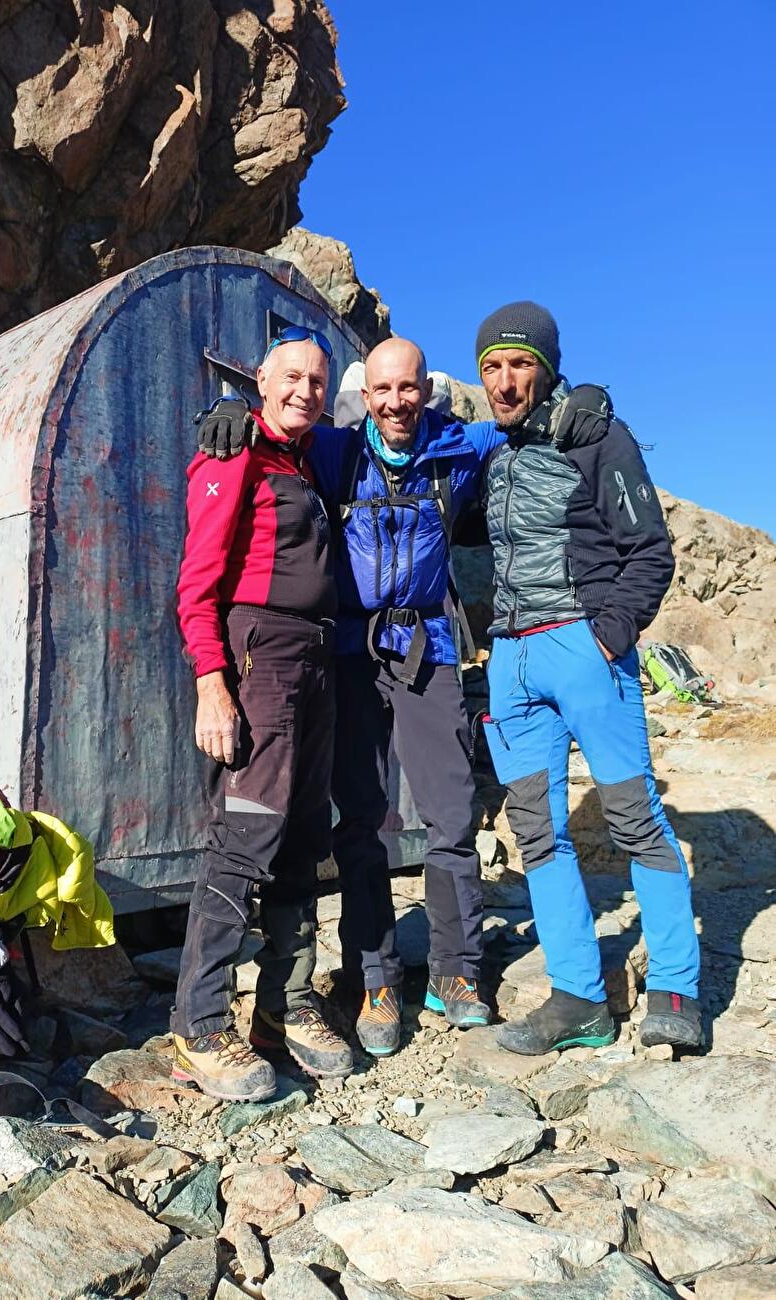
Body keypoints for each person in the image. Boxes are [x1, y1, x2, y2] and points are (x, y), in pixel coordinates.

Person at [198, 336, 504, 1057]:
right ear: (365, 397)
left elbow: (523, 421)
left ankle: (457, 973)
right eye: (382, 390)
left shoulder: (460, 447)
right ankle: (374, 980)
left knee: (451, 812)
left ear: (427, 390)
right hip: (351, 653)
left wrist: (582, 408)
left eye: (410, 389)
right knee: (362, 819)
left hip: (426, 649)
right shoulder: (338, 451)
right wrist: (228, 411)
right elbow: (281, 429)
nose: (397, 402)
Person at [471, 301, 702, 1053]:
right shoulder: (489, 453)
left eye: (520, 364)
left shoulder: (599, 435)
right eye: (491, 368)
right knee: (536, 832)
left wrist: (605, 638)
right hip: (510, 660)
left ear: (545, 365)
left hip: (582, 649)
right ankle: (578, 1000)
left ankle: (674, 987)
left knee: (635, 819)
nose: (505, 382)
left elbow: (649, 551)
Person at [171, 325, 353, 1102]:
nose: (305, 390)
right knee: (246, 833)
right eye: (290, 376)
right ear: (260, 380)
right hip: (260, 654)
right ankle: (198, 1024)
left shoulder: (305, 460)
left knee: (306, 835)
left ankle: (282, 1004)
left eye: (317, 379)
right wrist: (213, 683)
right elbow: (196, 580)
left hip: (313, 657)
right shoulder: (233, 451)